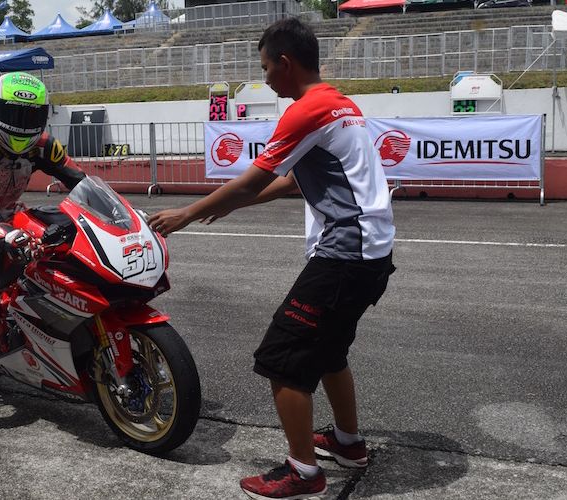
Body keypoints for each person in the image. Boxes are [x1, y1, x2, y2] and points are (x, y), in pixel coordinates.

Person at [148, 18, 395, 500]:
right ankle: (348, 444)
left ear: (286, 63)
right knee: (330, 352)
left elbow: (253, 178)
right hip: (371, 254)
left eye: (266, 69)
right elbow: (289, 182)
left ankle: (303, 473)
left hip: (345, 254)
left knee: (282, 361)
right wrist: (226, 207)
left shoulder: (307, 110)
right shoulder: (340, 103)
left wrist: (189, 212)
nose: (264, 80)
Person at [0, 72, 85, 430]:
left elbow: (81, 183)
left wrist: (120, 211)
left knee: (57, 263)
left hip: (12, 217)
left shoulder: (44, 144)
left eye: (31, 116)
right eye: (14, 115)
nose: (23, 125)